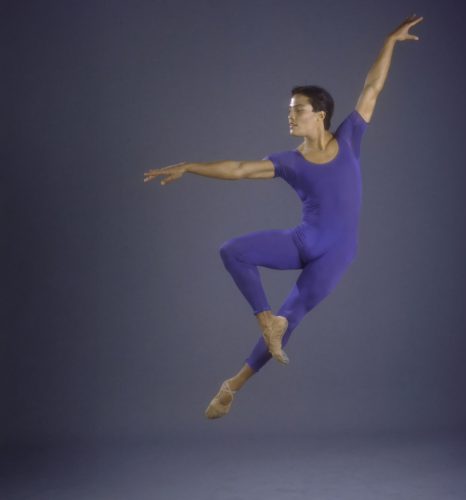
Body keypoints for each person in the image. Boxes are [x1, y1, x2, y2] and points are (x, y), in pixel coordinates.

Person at [143, 14, 423, 419]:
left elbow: (372, 86)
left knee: (291, 321)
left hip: (337, 254)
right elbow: (238, 169)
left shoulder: (349, 138)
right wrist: (189, 165)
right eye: (289, 110)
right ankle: (264, 320)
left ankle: (231, 386)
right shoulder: (289, 162)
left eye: (298, 110)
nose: (290, 116)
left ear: (319, 114)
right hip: (305, 241)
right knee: (233, 251)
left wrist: (390, 42)